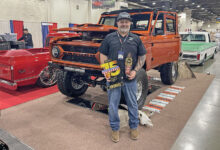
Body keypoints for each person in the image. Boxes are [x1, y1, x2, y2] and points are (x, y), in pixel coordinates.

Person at [99, 12, 147, 143]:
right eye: (121, 21)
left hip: (129, 79)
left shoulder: (136, 39)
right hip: (114, 77)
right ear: (117, 23)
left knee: (132, 104)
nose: (124, 24)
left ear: (130, 23)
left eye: (126, 21)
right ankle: (115, 129)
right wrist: (106, 71)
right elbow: (102, 54)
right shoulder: (109, 38)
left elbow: (142, 56)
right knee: (113, 105)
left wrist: (136, 71)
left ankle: (134, 127)